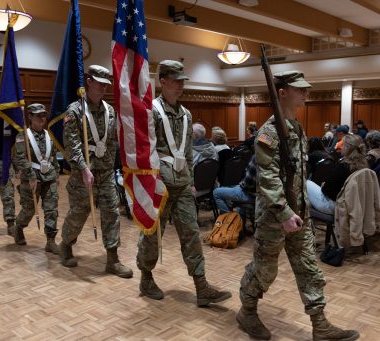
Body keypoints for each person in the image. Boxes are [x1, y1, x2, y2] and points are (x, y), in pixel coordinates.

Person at [237, 70, 359, 341]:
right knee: (264, 270)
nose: (306, 93)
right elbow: (266, 177)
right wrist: (283, 212)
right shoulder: (269, 132)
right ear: (282, 93)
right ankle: (247, 311)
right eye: (299, 89)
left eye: (306, 89)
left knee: (309, 268)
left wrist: (299, 210)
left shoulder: (297, 128)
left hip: (299, 213)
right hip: (274, 216)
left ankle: (320, 324)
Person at [137, 60, 231, 306]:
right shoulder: (152, 111)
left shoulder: (187, 115)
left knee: (191, 234)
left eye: (182, 81)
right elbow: (144, 150)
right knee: (152, 235)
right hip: (159, 184)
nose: (180, 85)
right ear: (163, 81)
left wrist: (190, 180)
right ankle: (146, 277)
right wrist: (151, 181)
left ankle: (201, 287)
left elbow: (188, 152)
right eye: (176, 80)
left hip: (182, 185)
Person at [59, 65, 132, 278]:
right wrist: (83, 168)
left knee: (112, 213)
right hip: (84, 173)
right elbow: (71, 144)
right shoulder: (75, 111)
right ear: (88, 81)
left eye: (106, 84)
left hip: (105, 172)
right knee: (79, 213)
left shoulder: (110, 111)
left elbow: (111, 142)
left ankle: (112, 259)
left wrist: (110, 165)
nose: (104, 88)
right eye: (100, 83)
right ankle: (66, 244)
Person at [12, 103, 60, 253]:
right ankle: (18, 227)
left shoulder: (48, 134)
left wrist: (56, 174)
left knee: (51, 209)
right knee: (29, 210)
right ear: (30, 117)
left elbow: (53, 157)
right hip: (31, 178)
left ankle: (50, 241)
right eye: (38, 115)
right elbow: (20, 158)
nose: (42, 118)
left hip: (49, 177)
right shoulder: (23, 136)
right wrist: (31, 176)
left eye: (44, 115)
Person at [307, 134, 368, 215]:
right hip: (354, 205)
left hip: (337, 206)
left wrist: (324, 185)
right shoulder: (365, 165)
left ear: (347, 148)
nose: (341, 147)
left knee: (306, 183)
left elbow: (328, 191)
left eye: (342, 145)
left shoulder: (343, 166)